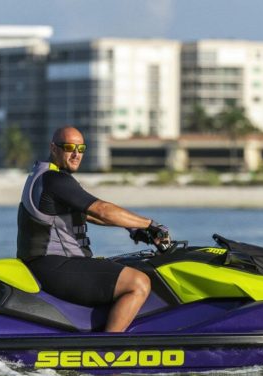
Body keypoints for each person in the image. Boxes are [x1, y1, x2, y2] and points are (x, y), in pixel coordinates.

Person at [17, 126, 170, 332]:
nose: (76, 154)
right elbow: (102, 210)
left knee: (129, 265)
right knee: (138, 282)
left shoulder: (43, 176)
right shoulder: (56, 180)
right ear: (54, 148)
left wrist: (134, 229)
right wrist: (149, 224)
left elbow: (86, 215)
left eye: (81, 149)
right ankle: (109, 350)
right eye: (70, 147)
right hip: (56, 266)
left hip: (48, 264)